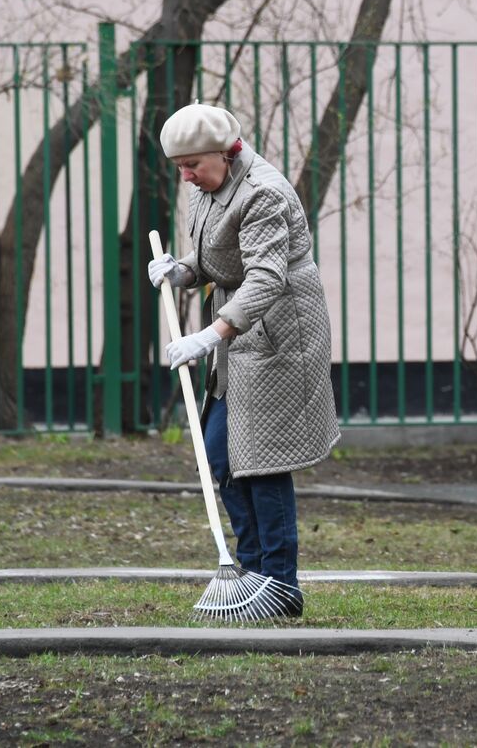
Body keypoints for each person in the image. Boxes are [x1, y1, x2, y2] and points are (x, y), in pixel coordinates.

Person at [148, 102, 340, 618]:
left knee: (261, 461)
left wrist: (208, 335)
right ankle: (250, 569)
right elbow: (221, 254)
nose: (186, 176)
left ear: (224, 152)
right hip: (240, 336)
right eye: (179, 167)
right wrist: (182, 271)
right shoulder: (210, 184)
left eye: (192, 165)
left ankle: (280, 583)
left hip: (279, 334)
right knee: (221, 454)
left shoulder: (263, 193)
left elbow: (266, 276)